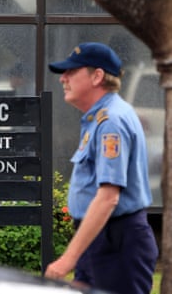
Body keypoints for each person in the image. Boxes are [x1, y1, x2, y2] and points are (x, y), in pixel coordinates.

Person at [45, 42, 158, 294]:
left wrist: (68, 260)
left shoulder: (111, 122)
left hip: (116, 242)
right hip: (101, 240)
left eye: (72, 71)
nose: (63, 78)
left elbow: (108, 198)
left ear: (97, 76)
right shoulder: (100, 118)